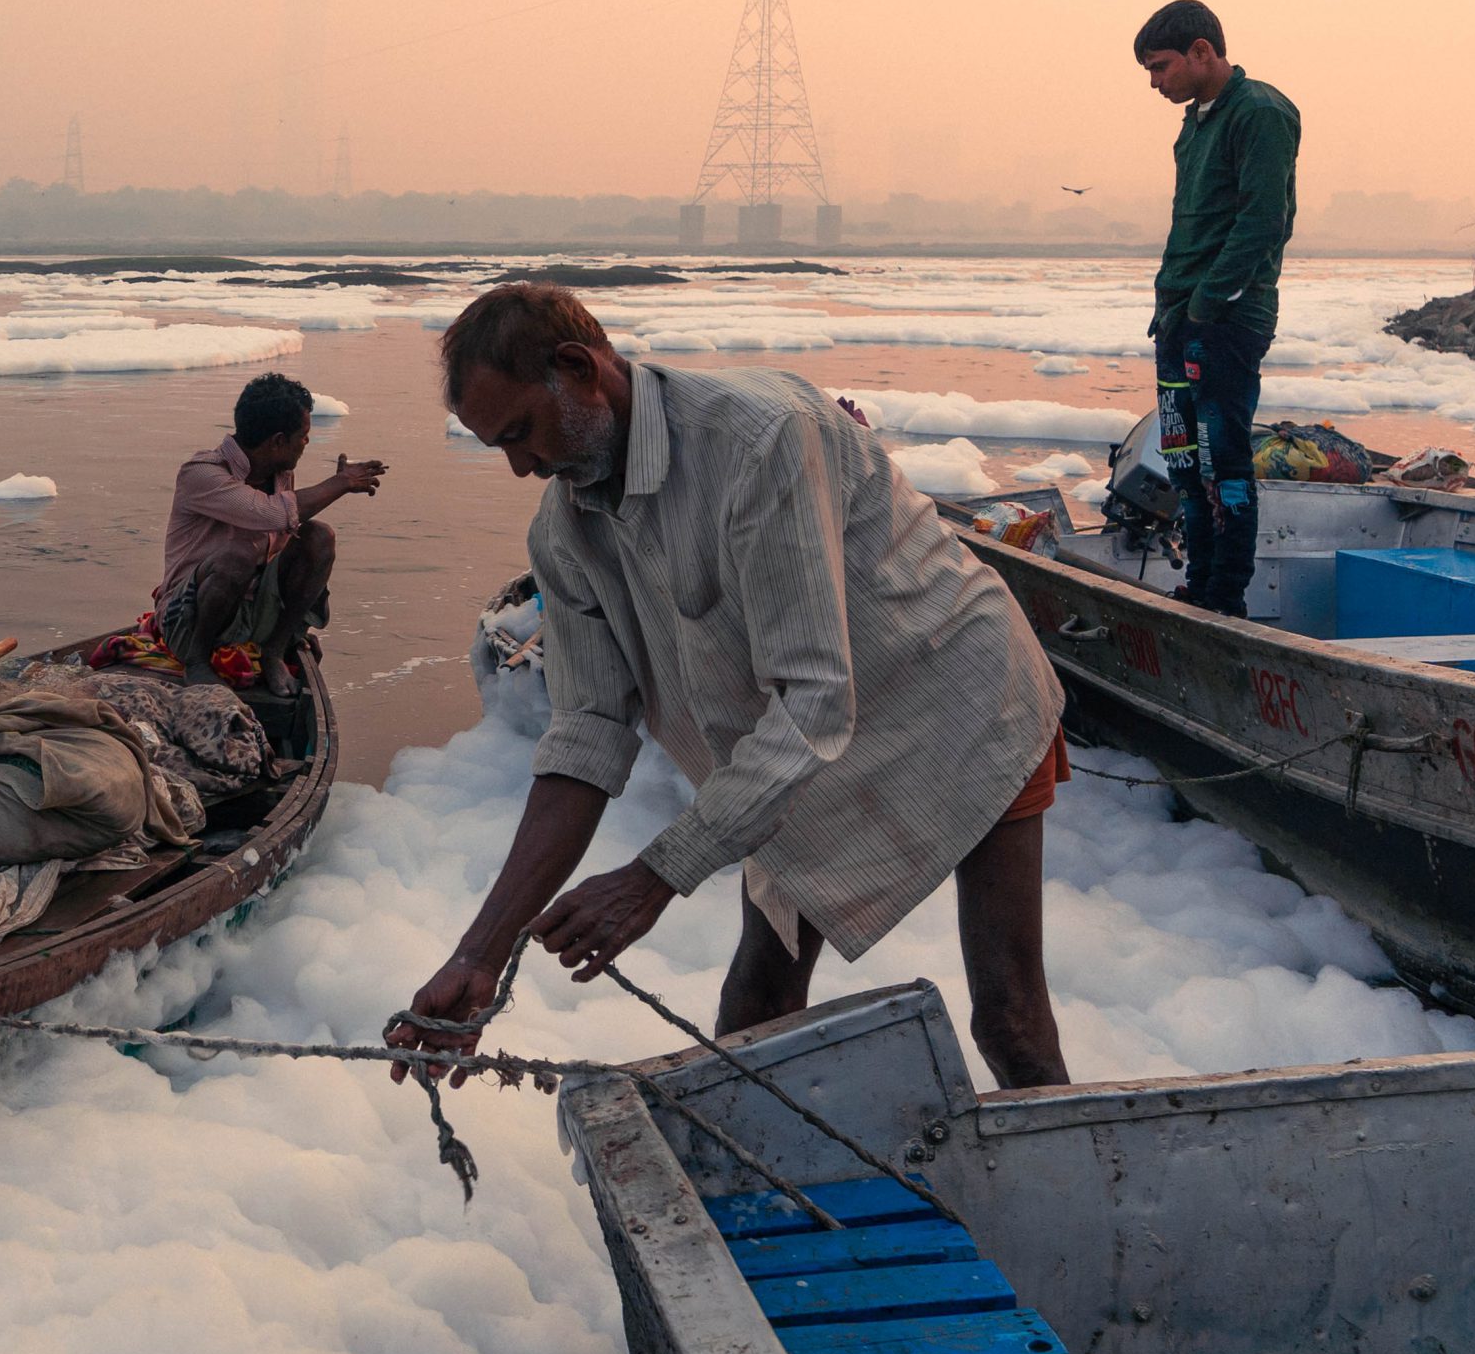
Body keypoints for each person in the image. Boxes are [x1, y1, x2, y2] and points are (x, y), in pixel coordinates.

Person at [385, 285, 1073, 1090]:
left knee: (1009, 1019)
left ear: (579, 368)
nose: (520, 466)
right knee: (758, 1002)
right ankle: (756, 1197)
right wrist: (480, 952)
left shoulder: (758, 439)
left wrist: (655, 874)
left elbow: (815, 697)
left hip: (955, 702)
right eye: (496, 447)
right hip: (793, 747)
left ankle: (1079, 1205)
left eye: (522, 433)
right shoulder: (562, 531)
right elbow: (588, 735)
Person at [1136, 0, 1302, 617]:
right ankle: (1199, 584)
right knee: (1181, 459)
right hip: (1180, 316)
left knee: (1221, 461)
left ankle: (1224, 599)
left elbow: (1265, 222)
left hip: (1226, 321)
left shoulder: (1259, 112)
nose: (1155, 82)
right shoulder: (1196, 121)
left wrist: (1208, 303)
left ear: (1202, 52)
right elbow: (1192, 224)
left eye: (1161, 66)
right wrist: (1173, 305)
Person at [160, 372, 387, 696]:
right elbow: (266, 512)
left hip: (250, 611)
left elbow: (283, 533)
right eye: (303, 435)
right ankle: (197, 663)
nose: (307, 442)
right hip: (187, 621)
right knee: (237, 555)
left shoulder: (280, 473)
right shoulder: (201, 473)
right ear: (278, 441)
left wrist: (294, 619)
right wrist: (339, 484)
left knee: (319, 538)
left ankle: (274, 651)